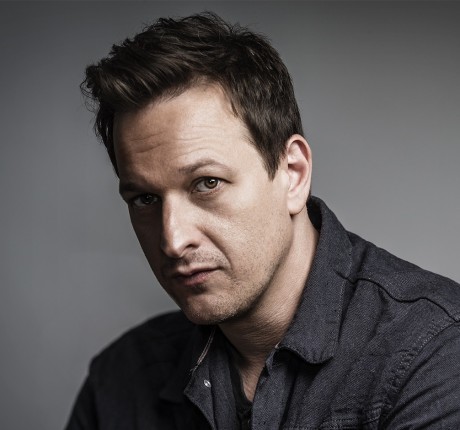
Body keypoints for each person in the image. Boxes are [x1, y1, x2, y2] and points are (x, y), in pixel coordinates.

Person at [66, 12, 460, 430]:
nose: (173, 240)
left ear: (293, 174)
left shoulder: (434, 352)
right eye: (145, 199)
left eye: (207, 183)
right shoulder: (118, 381)